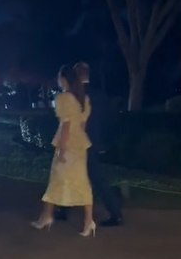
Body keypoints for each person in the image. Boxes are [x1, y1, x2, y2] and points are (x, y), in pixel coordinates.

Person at [56, 61, 123, 227]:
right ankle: (65, 209)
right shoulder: (99, 94)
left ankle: (114, 213)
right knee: (86, 177)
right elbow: (109, 119)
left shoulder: (76, 95)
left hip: (80, 143)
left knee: (80, 176)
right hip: (96, 142)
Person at [31, 64, 95, 237]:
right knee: (81, 181)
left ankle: (46, 217)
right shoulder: (83, 99)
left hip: (68, 144)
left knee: (56, 180)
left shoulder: (64, 98)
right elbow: (82, 125)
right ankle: (88, 221)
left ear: (64, 79)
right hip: (80, 144)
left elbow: (66, 125)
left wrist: (62, 150)